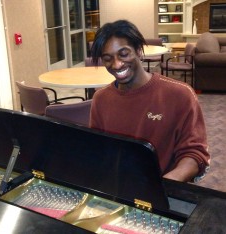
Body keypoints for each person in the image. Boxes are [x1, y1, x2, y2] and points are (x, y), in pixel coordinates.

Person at [89, 19, 210, 182]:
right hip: (118, 189)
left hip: (165, 189)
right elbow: (97, 150)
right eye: (107, 58)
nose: (116, 64)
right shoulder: (101, 99)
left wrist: (161, 187)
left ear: (139, 50)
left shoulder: (180, 94)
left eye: (124, 54)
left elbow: (195, 154)